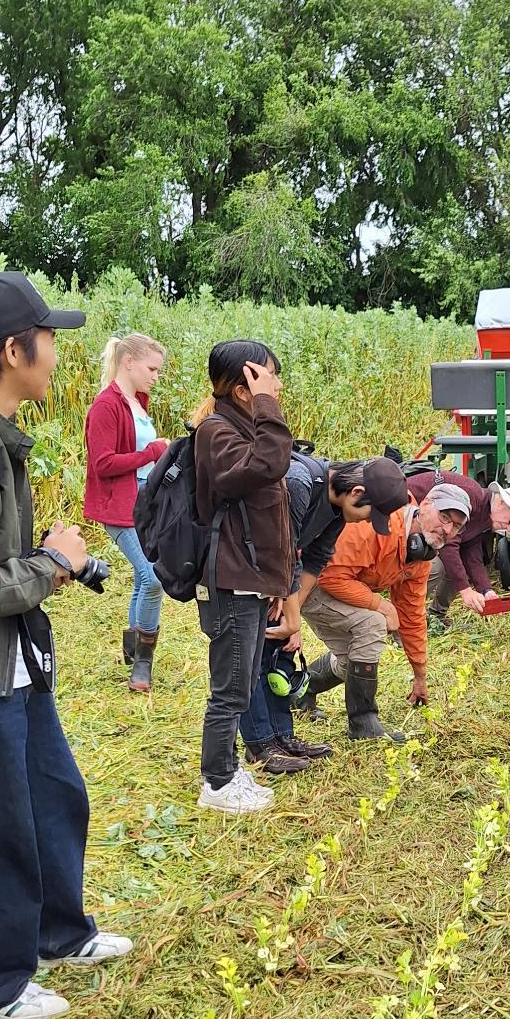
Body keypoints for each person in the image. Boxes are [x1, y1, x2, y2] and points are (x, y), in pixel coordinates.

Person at [0, 273, 133, 1019]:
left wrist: (42, 556)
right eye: (48, 339)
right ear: (14, 351)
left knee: (52, 797)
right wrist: (53, 566)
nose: (55, 353)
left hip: (16, 659)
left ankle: (56, 933)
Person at [190, 338, 294, 815]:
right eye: (265, 378)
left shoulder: (241, 426)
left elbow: (269, 516)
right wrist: (269, 405)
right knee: (229, 686)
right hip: (230, 579)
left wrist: (274, 584)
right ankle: (216, 781)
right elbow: (270, 464)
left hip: (251, 578)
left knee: (245, 676)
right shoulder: (216, 431)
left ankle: (228, 770)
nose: (275, 385)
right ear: (241, 386)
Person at [240, 453, 388, 775]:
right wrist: (290, 612)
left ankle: (282, 736)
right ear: (357, 492)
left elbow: (314, 560)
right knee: (248, 662)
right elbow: (284, 550)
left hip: (275, 580)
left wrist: (292, 615)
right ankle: (260, 745)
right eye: (367, 515)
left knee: (280, 655)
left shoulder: (338, 508)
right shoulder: (298, 482)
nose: (364, 523)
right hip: (241, 574)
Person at [299, 480, 470, 742]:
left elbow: (412, 615)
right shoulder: (376, 526)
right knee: (373, 623)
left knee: (354, 661)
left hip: (340, 585)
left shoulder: (421, 552)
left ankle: (302, 691)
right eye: (444, 516)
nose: (447, 529)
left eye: (456, 526)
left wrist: (420, 675)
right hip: (308, 584)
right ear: (424, 506)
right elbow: (331, 576)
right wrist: (381, 605)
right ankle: (363, 724)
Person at [84, 332, 169, 692]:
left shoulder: (138, 402)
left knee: (141, 577)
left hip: (144, 503)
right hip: (119, 509)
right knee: (154, 578)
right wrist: (153, 452)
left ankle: (133, 651)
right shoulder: (106, 406)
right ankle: (143, 664)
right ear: (128, 361)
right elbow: (103, 464)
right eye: (151, 368)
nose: (155, 376)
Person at [404, 467, 510, 625]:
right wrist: (465, 590)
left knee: (456, 569)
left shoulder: (484, 515)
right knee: (436, 567)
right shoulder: (472, 497)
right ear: (501, 502)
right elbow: (448, 545)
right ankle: (405, 615)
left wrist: (486, 590)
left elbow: (472, 552)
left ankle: (436, 615)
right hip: (401, 521)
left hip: (419, 534)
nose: (509, 529)